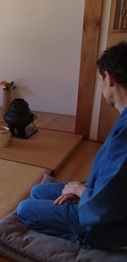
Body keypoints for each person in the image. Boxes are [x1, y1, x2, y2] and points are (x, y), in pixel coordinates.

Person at [17, 42, 127, 249]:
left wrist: (81, 192)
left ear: (109, 78)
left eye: (100, 81)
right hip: (101, 195)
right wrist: (82, 189)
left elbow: (104, 205)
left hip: (107, 221)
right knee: (39, 191)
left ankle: (86, 238)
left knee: (25, 209)